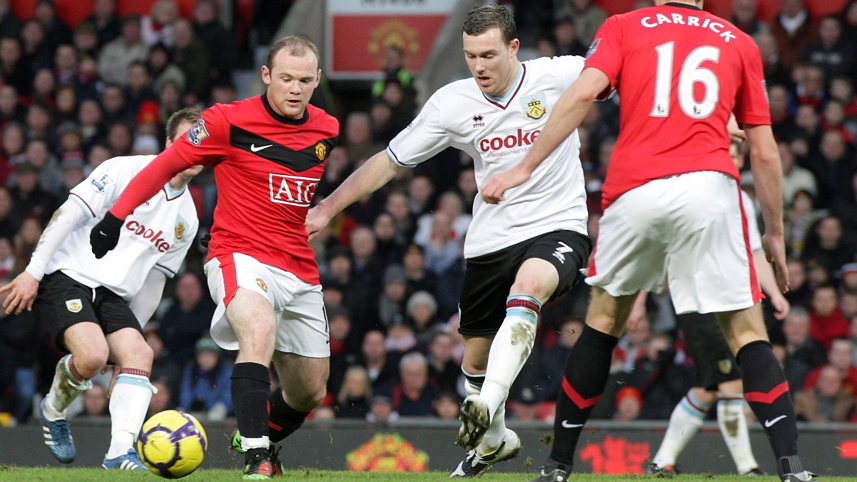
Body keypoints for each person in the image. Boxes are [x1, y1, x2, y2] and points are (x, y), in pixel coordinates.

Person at [480, 1, 812, 481]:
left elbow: (582, 94)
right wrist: (775, 232)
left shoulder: (624, 27)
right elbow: (763, 149)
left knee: (603, 324)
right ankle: (792, 468)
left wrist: (524, 167)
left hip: (635, 189)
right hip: (709, 188)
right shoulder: (738, 41)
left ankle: (557, 466)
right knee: (746, 333)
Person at [305, 5, 591, 478]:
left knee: (528, 289)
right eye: (470, 56)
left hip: (557, 225)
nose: (479, 66)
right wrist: (328, 208)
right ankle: (495, 439)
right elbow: (390, 160)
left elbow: (626, 70)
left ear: (514, 48)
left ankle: (488, 404)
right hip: (490, 240)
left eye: (488, 55)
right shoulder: (451, 103)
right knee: (474, 360)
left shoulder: (559, 75)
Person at [88, 35, 339, 479]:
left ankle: (255, 432)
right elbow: (165, 164)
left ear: (317, 79)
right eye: (286, 78)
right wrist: (115, 216)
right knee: (259, 330)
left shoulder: (327, 129)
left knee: (310, 391)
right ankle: (258, 458)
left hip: (298, 264)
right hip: (238, 253)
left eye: (304, 80)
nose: (295, 88)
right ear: (266, 75)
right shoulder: (225, 120)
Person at [0, 107, 202, 470]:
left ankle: (119, 454)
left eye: (203, 143)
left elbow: (154, 280)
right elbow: (68, 213)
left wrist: (129, 344)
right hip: (68, 274)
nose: (195, 149)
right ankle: (53, 408)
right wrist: (33, 271)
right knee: (92, 356)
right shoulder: (124, 169)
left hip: (113, 294)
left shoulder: (188, 217)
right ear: (168, 142)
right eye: (188, 139)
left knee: (140, 354)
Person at [648, 140, 793, 476]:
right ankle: (747, 468)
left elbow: (754, 251)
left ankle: (661, 462)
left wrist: (775, 293)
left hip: (731, 299)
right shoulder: (687, 195)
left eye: (736, 153)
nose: (731, 158)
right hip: (698, 302)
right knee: (730, 384)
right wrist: (643, 296)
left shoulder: (741, 199)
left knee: (709, 387)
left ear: (740, 160)